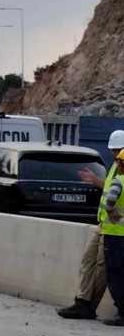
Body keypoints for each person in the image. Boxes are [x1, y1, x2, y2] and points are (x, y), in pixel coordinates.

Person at [57, 130, 124, 319]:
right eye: (113, 150)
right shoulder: (116, 167)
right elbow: (111, 189)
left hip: (116, 228)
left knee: (103, 268)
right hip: (104, 224)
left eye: (117, 150)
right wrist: (95, 181)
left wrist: (110, 211)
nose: (114, 154)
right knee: (88, 259)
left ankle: (88, 306)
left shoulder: (121, 166)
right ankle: (82, 301)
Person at [100, 148, 124, 326]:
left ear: (121, 163)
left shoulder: (119, 180)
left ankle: (122, 312)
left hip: (115, 235)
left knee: (115, 276)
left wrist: (110, 211)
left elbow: (111, 198)